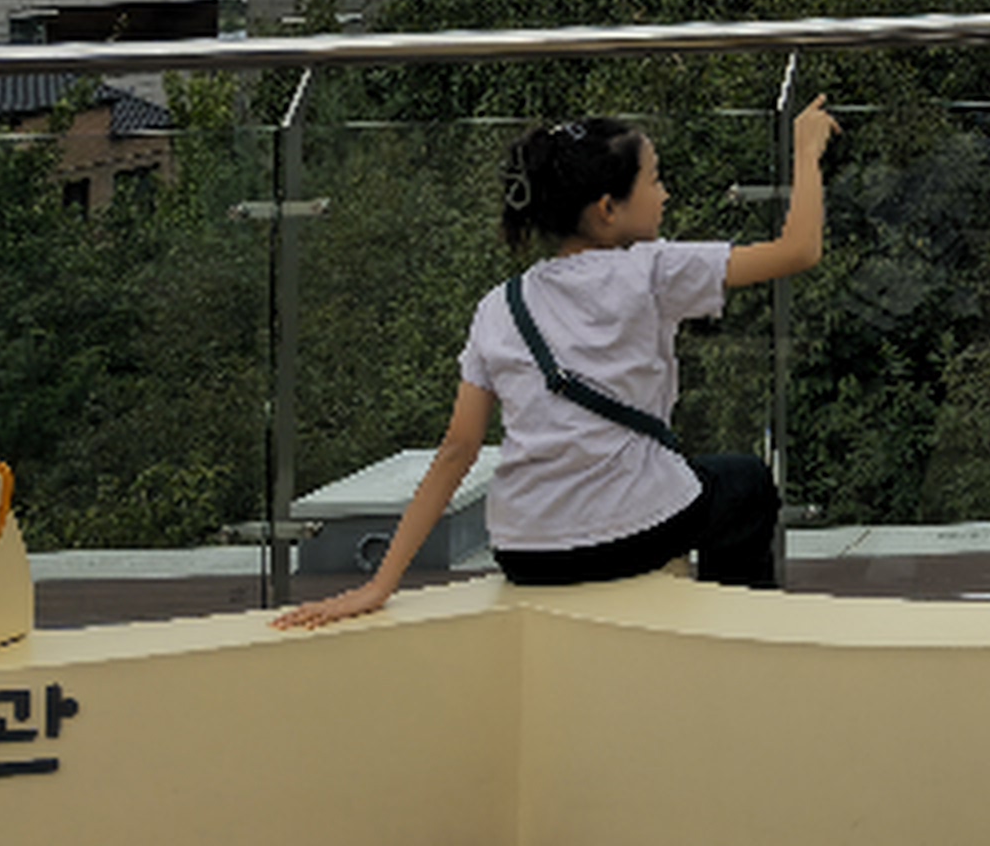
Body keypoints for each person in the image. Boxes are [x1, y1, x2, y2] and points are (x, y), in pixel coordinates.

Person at [275, 97, 834, 630]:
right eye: (655, 180)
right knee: (744, 483)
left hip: (526, 551)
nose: (665, 194)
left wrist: (380, 584)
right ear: (608, 209)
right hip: (625, 536)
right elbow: (800, 249)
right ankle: (740, 637)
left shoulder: (500, 305)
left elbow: (457, 450)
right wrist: (806, 151)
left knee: (702, 479)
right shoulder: (651, 271)